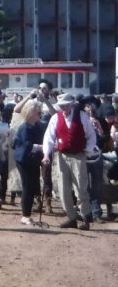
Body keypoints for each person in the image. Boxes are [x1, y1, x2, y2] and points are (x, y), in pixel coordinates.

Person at [42, 93, 95, 230]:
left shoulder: (82, 116)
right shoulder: (55, 118)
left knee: (81, 187)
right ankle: (71, 217)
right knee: (63, 188)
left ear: (71, 104)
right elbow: (49, 137)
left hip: (78, 155)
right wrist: (46, 154)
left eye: (66, 105)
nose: (64, 108)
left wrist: (87, 151)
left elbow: (91, 135)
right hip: (62, 155)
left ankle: (85, 217)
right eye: (61, 106)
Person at [11, 104, 46, 225]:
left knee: (32, 187)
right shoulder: (24, 127)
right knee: (27, 187)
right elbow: (27, 145)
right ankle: (25, 215)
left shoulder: (37, 126)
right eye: (38, 113)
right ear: (30, 113)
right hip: (24, 160)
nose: (40, 115)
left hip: (33, 160)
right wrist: (41, 147)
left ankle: (28, 213)